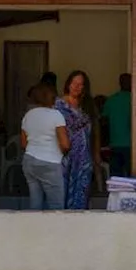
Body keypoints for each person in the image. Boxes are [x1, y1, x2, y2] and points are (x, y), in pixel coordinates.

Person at [21, 82, 71, 210]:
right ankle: (54, 230)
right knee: (56, 206)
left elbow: (23, 143)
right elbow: (65, 144)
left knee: (35, 204)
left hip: (29, 160)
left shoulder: (28, 115)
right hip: (50, 162)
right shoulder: (56, 115)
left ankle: (35, 229)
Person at [55, 70, 99, 210]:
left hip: (84, 158)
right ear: (68, 84)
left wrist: (96, 155)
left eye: (80, 84)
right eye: (74, 83)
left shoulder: (87, 106)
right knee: (63, 192)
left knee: (81, 194)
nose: (76, 87)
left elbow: (96, 133)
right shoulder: (58, 105)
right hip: (64, 156)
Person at [102, 73, 132, 177]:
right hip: (132, 145)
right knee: (131, 178)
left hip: (115, 144)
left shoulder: (111, 100)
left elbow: (104, 121)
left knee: (116, 178)